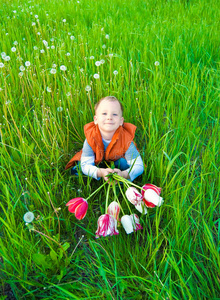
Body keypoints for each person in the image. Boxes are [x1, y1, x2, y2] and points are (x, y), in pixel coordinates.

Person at [65, 96, 144, 181]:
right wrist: (101, 172)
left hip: (116, 161)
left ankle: (119, 178)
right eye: (104, 114)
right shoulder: (91, 137)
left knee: (124, 164)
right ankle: (96, 171)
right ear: (96, 119)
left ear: (121, 121)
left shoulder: (126, 139)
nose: (109, 117)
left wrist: (123, 174)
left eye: (114, 114)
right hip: (96, 159)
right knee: (82, 165)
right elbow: (86, 164)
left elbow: (139, 166)